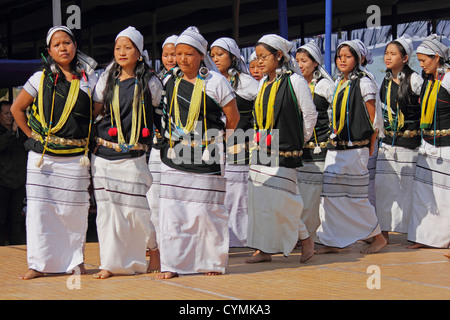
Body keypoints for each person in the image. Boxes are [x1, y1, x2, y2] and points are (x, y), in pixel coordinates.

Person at [11, 26, 99, 279]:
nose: (63, 48)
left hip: (75, 158)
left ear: (75, 46)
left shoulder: (89, 80)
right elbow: (18, 109)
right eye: (57, 44)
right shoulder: (40, 79)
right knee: (41, 212)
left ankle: (76, 262)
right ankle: (38, 264)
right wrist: (34, 137)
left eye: (67, 42)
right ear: (49, 51)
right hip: (43, 159)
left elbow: (96, 113)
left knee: (74, 212)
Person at [156, 27, 240, 279]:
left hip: (206, 156)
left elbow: (233, 119)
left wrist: (215, 145)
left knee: (206, 213)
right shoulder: (170, 80)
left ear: (201, 55)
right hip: (174, 155)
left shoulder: (216, 82)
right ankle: (172, 264)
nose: (182, 59)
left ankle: (211, 261)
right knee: (173, 212)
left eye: (189, 54)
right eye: (178, 53)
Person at [91, 26, 163, 279]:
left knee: (137, 211)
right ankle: (109, 263)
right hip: (103, 154)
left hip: (134, 155)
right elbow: (95, 110)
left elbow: (160, 116)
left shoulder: (151, 81)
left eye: (128, 47)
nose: (122, 52)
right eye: (118, 48)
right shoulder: (106, 79)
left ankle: (152, 249)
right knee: (108, 212)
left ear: (139, 52)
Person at [245, 34, 318, 264]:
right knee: (261, 203)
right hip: (261, 151)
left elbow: (310, 115)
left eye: (264, 56)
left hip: (286, 151)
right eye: (257, 58)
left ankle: (306, 239)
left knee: (283, 202)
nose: (259, 62)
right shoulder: (262, 83)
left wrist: (298, 140)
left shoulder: (294, 81)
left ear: (279, 55)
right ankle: (264, 248)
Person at [316, 40, 387, 254]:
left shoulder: (364, 82)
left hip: (356, 148)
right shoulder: (340, 83)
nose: (342, 60)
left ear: (358, 58)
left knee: (356, 197)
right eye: (339, 57)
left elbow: (374, 120)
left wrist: (370, 147)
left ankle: (377, 236)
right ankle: (333, 240)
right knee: (331, 197)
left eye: (348, 56)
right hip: (337, 148)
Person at [210, 37, 259, 247]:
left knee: (239, 195)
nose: (216, 59)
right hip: (214, 147)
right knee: (220, 192)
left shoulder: (247, 83)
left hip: (242, 145)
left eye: (220, 54)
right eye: (212, 55)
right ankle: (224, 237)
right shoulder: (209, 80)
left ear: (232, 57)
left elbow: (265, 111)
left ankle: (242, 239)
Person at [375, 35, 423, 243]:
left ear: (405, 58)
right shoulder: (385, 80)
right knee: (384, 188)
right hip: (388, 143)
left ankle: (414, 233)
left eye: (393, 54)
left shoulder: (415, 79)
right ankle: (383, 232)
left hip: (409, 143)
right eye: (386, 53)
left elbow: (425, 110)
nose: (387, 57)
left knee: (409, 190)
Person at [407, 34, 450, 249]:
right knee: (425, 194)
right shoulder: (429, 82)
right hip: (428, 145)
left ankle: (445, 239)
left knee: (445, 197)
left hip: (446, 147)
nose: (421, 65)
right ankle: (425, 237)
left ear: (437, 58)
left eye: (424, 60)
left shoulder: (449, 79)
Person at [295, 41, 335, 243]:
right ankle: (302, 236)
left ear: (315, 62)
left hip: (319, 148)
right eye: (297, 61)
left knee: (314, 197)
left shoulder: (325, 86)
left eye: (304, 61)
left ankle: (314, 236)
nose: (300, 64)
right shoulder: (296, 84)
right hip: (299, 149)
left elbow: (337, 112)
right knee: (301, 196)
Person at [147, 34, 178, 255]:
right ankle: (156, 244)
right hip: (157, 147)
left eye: (174, 54)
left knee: (177, 198)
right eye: (166, 54)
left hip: (182, 149)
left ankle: (176, 244)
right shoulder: (155, 80)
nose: (170, 58)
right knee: (154, 197)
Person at [0, 101, 27, 246]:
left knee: (16, 218)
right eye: (6, 113)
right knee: (1, 218)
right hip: (3, 182)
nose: (10, 116)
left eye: (12, 113)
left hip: (19, 181)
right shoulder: (7, 133)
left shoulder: (21, 131)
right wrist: (11, 132)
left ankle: (16, 245)